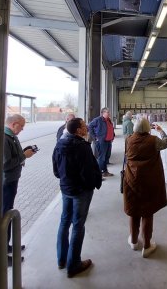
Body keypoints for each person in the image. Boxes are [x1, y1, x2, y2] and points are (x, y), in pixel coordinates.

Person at [53, 117, 102, 278]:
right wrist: (91, 185)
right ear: (78, 130)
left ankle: (62, 259)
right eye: (84, 126)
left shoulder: (60, 144)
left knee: (64, 221)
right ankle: (74, 264)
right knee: (78, 225)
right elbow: (87, 171)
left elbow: (55, 169)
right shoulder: (82, 147)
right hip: (81, 191)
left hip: (66, 188)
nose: (87, 127)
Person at [124, 118, 167, 258]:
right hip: (149, 180)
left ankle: (133, 240)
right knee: (147, 212)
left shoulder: (129, 140)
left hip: (131, 179)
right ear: (147, 128)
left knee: (134, 211)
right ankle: (147, 245)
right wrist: (161, 131)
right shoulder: (153, 140)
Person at [3, 114, 37, 264]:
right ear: (14, 124)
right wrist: (24, 156)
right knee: (4, 215)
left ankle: (6, 245)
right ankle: (2, 252)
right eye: (21, 126)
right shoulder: (4, 138)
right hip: (6, 183)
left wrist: (24, 152)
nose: (22, 129)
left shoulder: (11, 136)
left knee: (8, 213)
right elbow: (5, 164)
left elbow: (15, 155)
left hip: (12, 180)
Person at [88, 107, 115, 177]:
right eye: (107, 112)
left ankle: (105, 171)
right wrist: (95, 137)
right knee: (102, 157)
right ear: (103, 113)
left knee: (106, 156)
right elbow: (89, 127)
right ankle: (98, 174)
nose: (109, 113)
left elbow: (110, 128)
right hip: (101, 141)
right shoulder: (98, 120)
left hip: (108, 141)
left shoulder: (108, 120)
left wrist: (112, 136)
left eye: (109, 112)